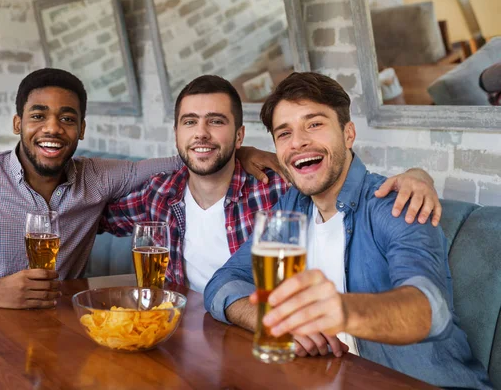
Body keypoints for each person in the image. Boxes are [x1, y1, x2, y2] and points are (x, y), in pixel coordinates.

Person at [203, 72, 492, 389]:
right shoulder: (292, 208)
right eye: (284, 133)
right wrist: (276, 323)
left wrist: (341, 310)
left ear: (348, 134)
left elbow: (429, 310)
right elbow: (222, 283)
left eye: (314, 124)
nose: (298, 141)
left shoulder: (394, 205)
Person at [0, 68, 273, 309]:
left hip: (66, 328)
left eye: (67, 118)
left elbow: (186, 158)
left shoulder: (98, 179)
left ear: (81, 129)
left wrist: (240, 150)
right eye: (37, 116)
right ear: (18, 123)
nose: (52, 128)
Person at [101, 75, 441, 293]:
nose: (201, 133)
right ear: (176, 133)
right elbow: (93, 212)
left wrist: (418, 177)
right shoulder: (159, 194)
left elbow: (350, 180)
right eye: (190, 122)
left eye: (216, 122)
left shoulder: (278, 190)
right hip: (193, 332)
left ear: (239, 136)